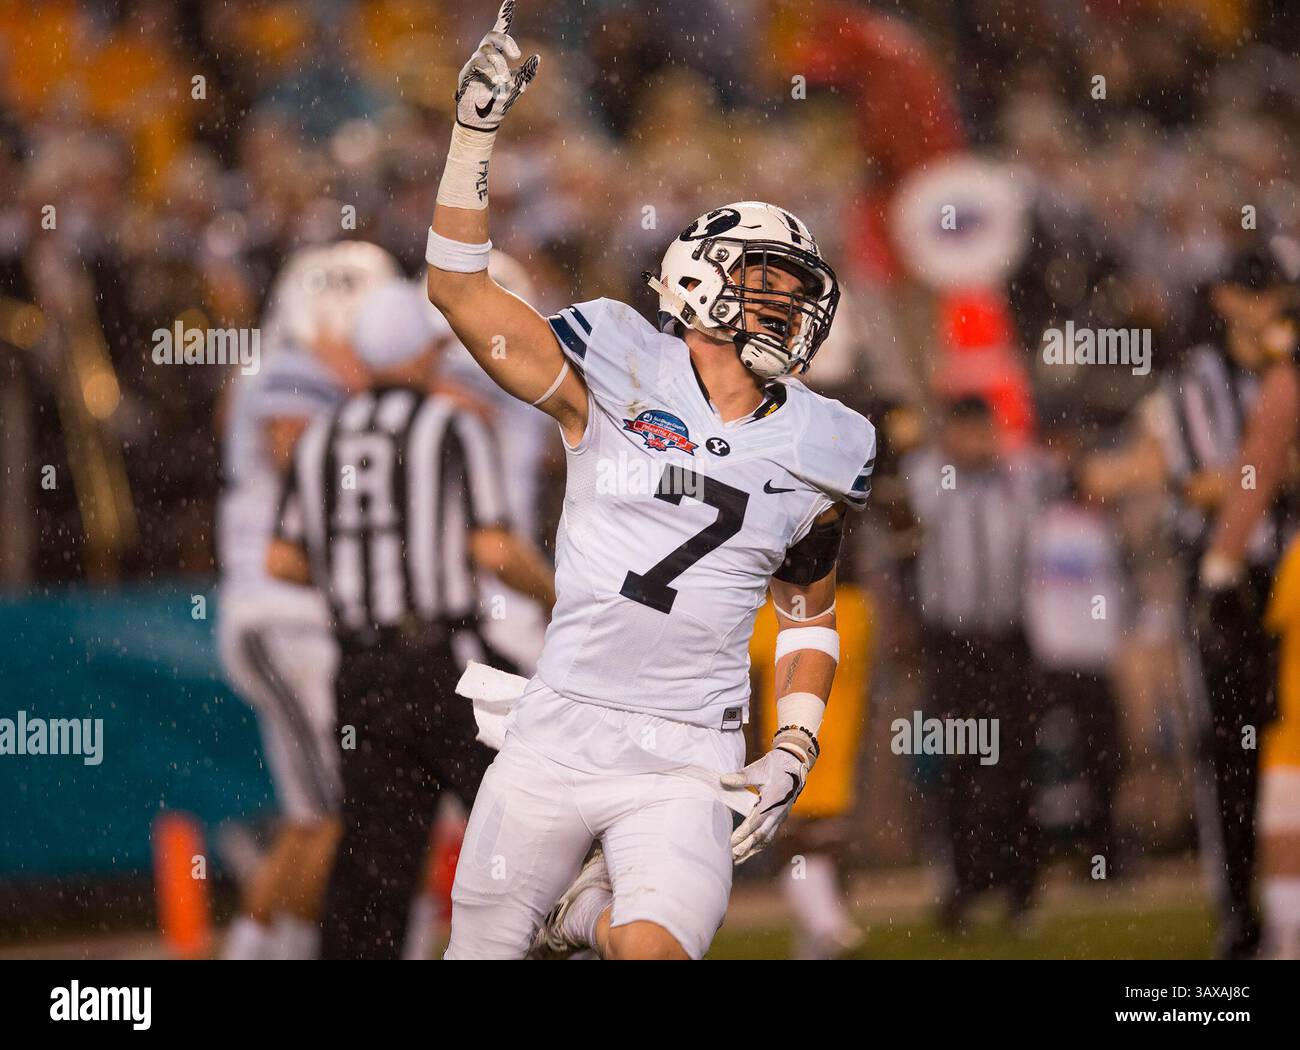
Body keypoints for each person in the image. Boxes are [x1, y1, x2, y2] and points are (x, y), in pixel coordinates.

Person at [425, 3, 876, 960]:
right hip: (557, 728)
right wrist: (473, 134)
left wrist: (792, 748)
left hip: (688, 751)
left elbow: (807, 613)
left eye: (796, 293)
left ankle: (588, 922)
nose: (789, 309)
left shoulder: (825, 441)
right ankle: (577, 917)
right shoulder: (616, 359)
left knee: (655, 951)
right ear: (698, 281)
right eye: (768, 284)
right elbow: (460, 290)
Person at [266, 278, 555, 959]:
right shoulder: (452, 425)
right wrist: (553, 592)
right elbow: (492, 546)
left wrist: (354, 577)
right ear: (426, 353)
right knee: (538, 822)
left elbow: (281, 559)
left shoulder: (320, 439)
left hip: (361, 672)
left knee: (373, 871)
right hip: (446, 665)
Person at [216, 240, 399, 960]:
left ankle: (269, 950)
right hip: (283, 616)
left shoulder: (274, 365)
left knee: (317, 818)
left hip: (295, 618)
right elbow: (313, 474)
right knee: (336, 816)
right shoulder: (292, 369)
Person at [901, 396, 1045, 927]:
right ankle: (963, 887)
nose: (976, 443)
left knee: (1015, 764)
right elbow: (905, 510)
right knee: (959, 767)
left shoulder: (1019, 478)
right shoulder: (931, 477)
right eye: (965, 432)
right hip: (953, 643)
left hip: (1009, 639)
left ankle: (1020, 889)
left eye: (983, 432)